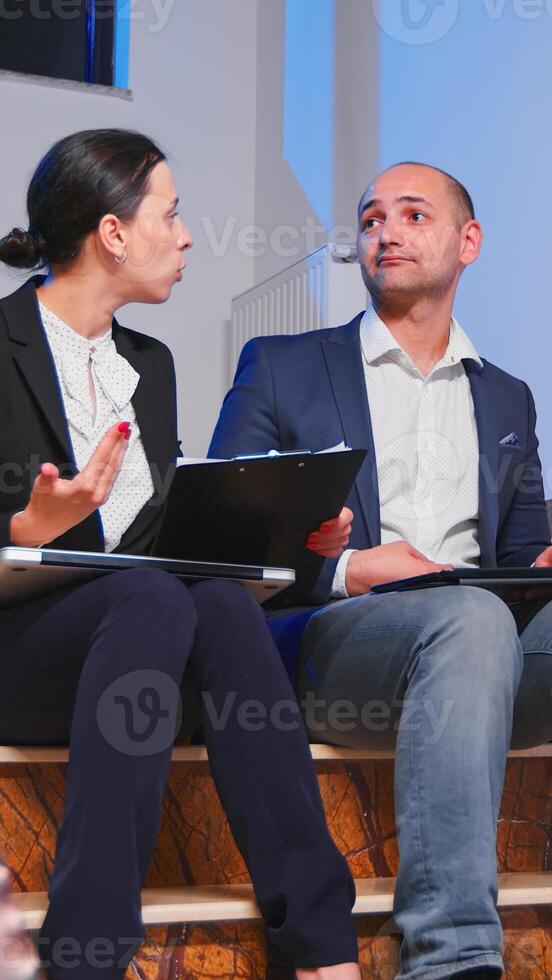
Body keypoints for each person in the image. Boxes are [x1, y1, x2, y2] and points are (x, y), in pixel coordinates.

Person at [0, 129, 360, 980]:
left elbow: (158, 545)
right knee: (156, 602)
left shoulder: (147, 367)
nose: (189, 234)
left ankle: (320, 949)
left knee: (220, 603)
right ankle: (88, 956)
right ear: (113, 233)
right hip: (22, 655)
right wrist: (26, 525)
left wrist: (291, 541)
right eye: (172, 213)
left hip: (134, 651)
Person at [209, 162, 552, 980]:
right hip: (336, 648)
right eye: (369, 219)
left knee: (477, 614)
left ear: (468, 242)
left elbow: (522, 556)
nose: (384, 232)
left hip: (485, 654)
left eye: (411, 215)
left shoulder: (508, 398)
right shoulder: (283, 363)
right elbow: (217, 543)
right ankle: (451, 955)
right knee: (468, 618)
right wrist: (353, 569)